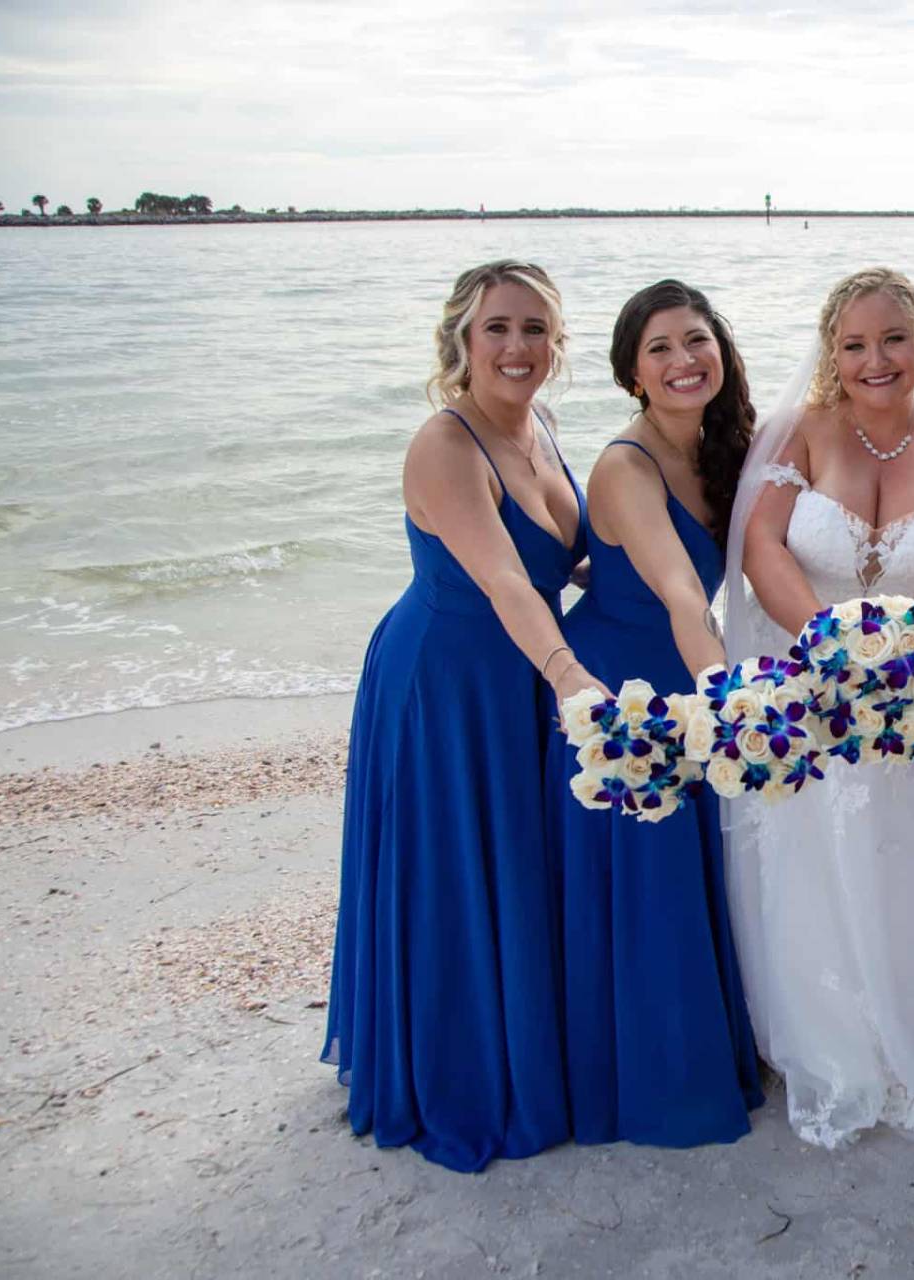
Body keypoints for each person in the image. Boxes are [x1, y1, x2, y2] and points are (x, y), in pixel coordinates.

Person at [322, 260, 606, 1172]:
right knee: (455, 868)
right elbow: (508, 584)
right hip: (445, 683)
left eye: (535, 329)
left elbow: (575, 567)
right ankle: (455, 1064)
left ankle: (528, 1041)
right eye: (498, 328)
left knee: (516, 865)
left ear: (557, 346)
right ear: (462, 340)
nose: (517, 346)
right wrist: (574, 681)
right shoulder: (445, 446)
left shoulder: (544, 428)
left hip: (521, 673)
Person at [723, 267, 914, 1149]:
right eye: (854, 344)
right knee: (820, 866)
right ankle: (834, 1045)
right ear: (831, 352)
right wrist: (832, 648)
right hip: (818, 696)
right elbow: (762, 550)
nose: (874, 360)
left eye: (893, 339)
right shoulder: (801, 438)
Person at [544, 280, 764, 1145]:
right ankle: (653, 1078)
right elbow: (682, 595)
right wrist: (728, 703)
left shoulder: (723, 446)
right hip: (627, 688)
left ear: (722, 350)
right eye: (660, 349)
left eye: (696, 341)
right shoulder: (624, 465)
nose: (683, 361)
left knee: (683, 872)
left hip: (681, 673)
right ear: (632, 373)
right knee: (646, 883)